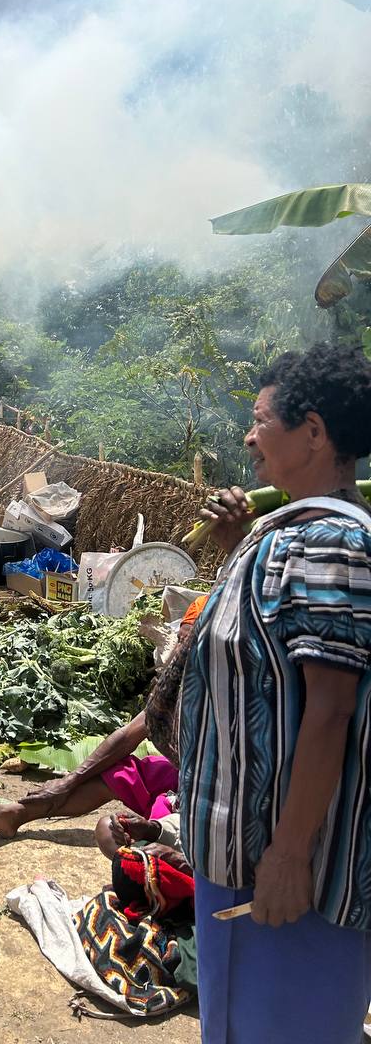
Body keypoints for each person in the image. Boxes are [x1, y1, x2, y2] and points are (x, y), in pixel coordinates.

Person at [178, 343, 371, 1044]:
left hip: (289, 875)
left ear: (314, 432)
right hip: (244, 859)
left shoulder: (331, 543)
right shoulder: (292, 530)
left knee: (286, 1024)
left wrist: (289, 854)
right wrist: (234, 544)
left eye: (260, 421)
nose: (249, 437)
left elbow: (330, 711)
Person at [0, 596, 208, 841]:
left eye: (188, 645)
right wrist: (67, 782)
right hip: (184, 774)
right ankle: (15, 814)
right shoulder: (175, 687)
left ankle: (162, 844)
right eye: (180, 641)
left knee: (115, 833)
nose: (179, 652)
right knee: (122, 771)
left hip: (212, 792)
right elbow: (126, 737)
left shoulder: (225, 697)